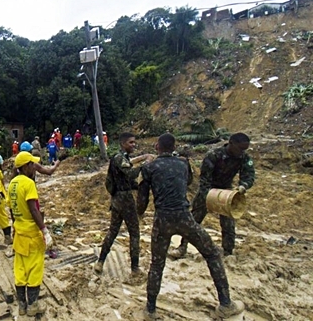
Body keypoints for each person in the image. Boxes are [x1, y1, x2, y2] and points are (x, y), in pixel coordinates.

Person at [138, 133, 245, 320]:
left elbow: (142, 201)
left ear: (157, 147)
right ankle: (226, 304)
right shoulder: (183, 163)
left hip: (162, 220)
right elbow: (187, 182)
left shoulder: (149, 168)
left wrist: (138, 214)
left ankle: (150, 310)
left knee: (157, 264)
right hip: (185, 217)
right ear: (174, 146)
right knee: (211, 254)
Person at [169, 132, 255, 259]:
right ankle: (182, 247)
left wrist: (243, 186)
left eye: (244, 149)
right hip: (207, 189)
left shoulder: (244, 158)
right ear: (231, 143)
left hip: (227, 191)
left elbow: (249, 175)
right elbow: (204, 179)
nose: (242, 152)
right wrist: (208, 196)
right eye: (240, 148)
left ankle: (228, 251)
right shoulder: (214, 155)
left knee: (228, 224)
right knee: (193, 221)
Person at [93, 132, 154, 275]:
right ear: (123, 144)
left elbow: (127, 178)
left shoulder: (121, 158)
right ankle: (135, 268)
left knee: (113, 231)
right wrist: (146, 164)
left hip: (117, 200)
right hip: (125, 200)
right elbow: (131, 174)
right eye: (131, 142)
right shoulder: (119, 158)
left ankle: (101, 261)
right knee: (134, 233)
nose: (134, 145)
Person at [9, 151, 53, 317]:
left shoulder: (12, 184)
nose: (34, 167)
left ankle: (22, 305)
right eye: (32, 164)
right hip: (32, 233)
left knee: (20, 270)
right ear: (26, 166)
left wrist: (14, 227)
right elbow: (33, 209)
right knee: (34, 270)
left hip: (19, 233)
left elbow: (12, 210)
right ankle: (33, 306)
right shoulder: (28, 184)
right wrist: (44, 230)